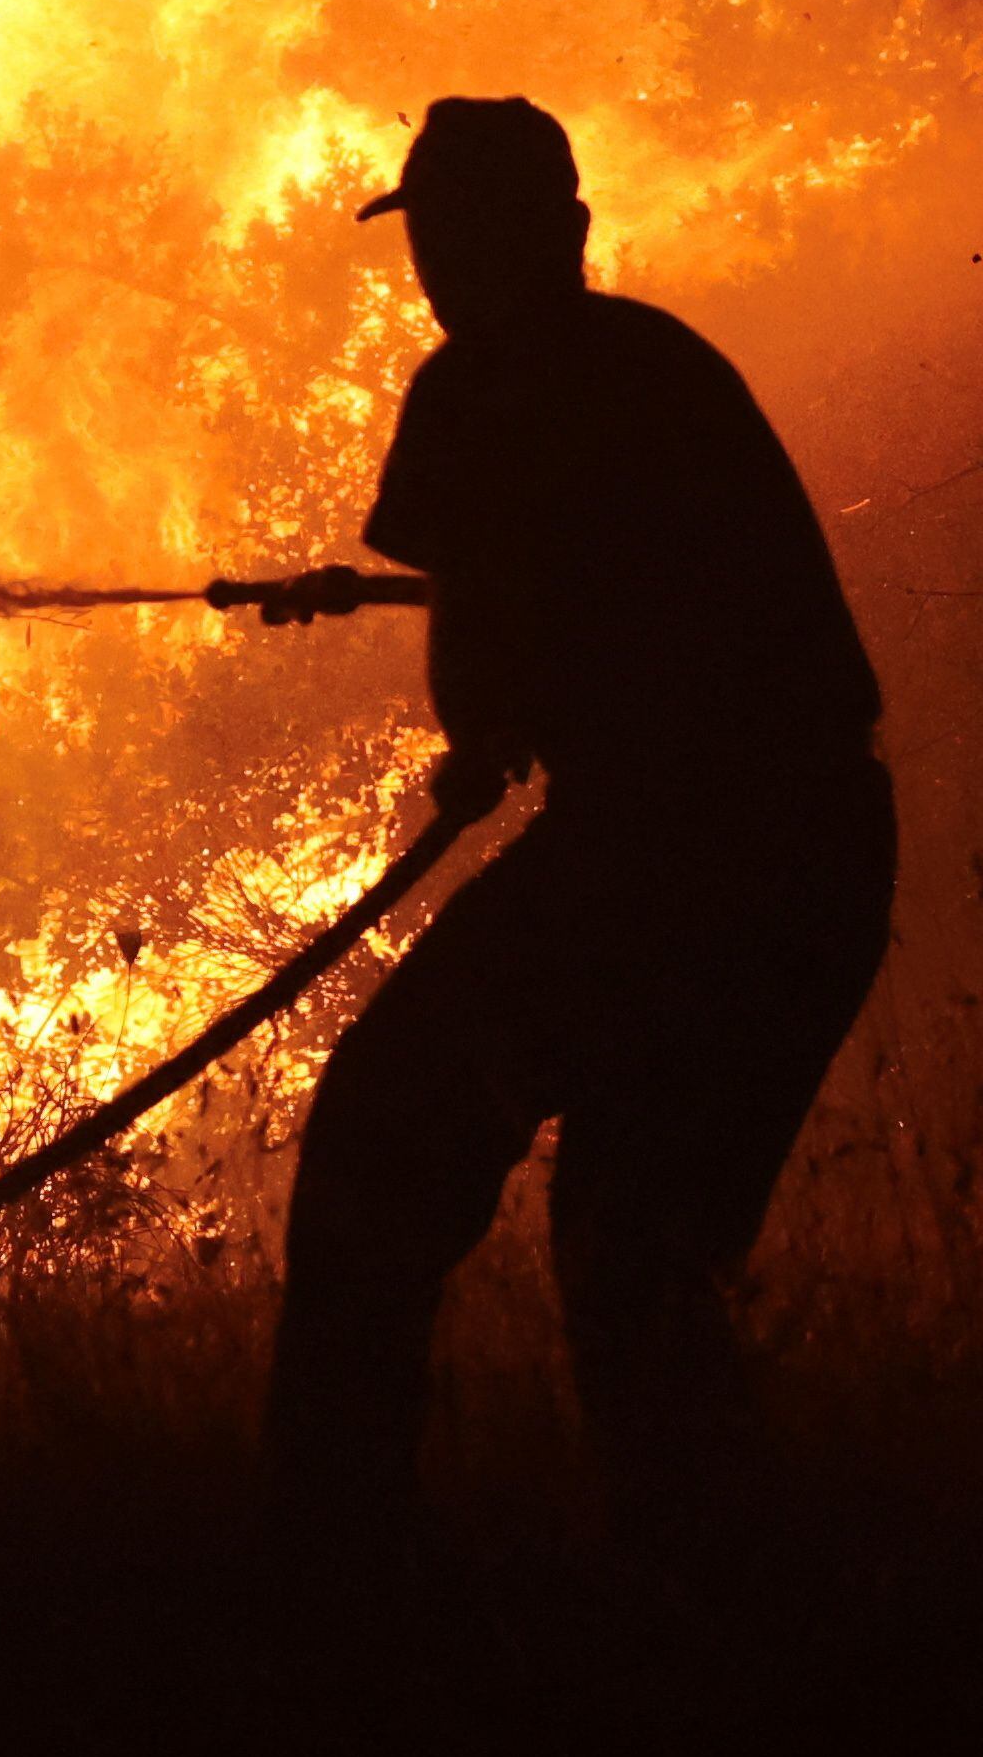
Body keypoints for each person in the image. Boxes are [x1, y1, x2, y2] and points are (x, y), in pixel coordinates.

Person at [258, 95, 893, 1543]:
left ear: (527, 234)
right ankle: (714, 1607)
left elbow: (488, 682)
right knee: (638, 1251)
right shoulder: (661, 361)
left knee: (380, 1142)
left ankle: (325, 1571)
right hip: (820, 852)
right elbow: (627, 581)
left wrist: (476, 734)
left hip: (668, 856)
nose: (432, 265)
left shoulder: (479, 386)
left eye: (443, 233)